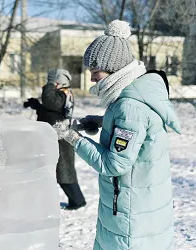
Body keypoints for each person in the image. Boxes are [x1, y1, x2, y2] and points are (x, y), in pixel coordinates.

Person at [53, 20, 180, 250]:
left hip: (131, 223)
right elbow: (138, 129)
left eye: (95, 72)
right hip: (134, 211)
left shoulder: (129, 106)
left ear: (114, 69)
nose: (92, 79)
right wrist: (102, 122)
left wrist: (73, 138)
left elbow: (113, 165)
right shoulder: (132, 97)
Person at [23, 68, 86, 210]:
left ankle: (77, 201)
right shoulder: (62, 94)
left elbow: (51, 103)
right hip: (54, 137)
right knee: (49, 171)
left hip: (60, 139)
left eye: (51, 81)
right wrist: (37, 105)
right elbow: (51, 111)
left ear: (57, 81)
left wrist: (49, 85)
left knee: (64, 172)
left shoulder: (63, 94)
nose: (49, 84)